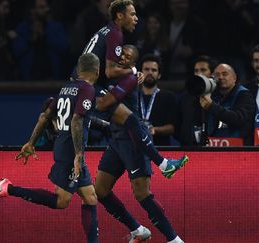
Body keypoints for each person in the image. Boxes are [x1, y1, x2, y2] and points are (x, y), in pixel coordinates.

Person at [0, 53, 100, 243]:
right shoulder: (88, 89)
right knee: (61, 201)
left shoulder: (67, 88)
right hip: (70, 151)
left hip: (65, 147)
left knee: (90, 197)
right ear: (97, 71)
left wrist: (31, 142)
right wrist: (79, 154)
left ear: (79, 70)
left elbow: (45, 116)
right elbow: (77, 120)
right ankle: (9, 188)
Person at [75, 0, 188, 177]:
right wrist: (135, 71)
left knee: (128, 121)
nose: (136, 18)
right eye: (132, 14)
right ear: (120, 16)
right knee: (133, 121)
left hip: (81, 84)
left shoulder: (106, 30)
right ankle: (163, 164)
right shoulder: (116, 34)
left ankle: (163, 164)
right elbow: (111, 71)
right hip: (87, 85)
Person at [95, 45, 185, 243]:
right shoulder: (109, 75)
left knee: (142, 193)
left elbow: (102, 104)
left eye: (129, 57)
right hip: (116, 140)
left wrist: (85, 96)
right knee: (100, 190)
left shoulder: (129, 79)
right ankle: (137, 229)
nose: (123, 58)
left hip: (132, 141)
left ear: (133, 64)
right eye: (121, 54)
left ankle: (174, 240)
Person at [199, 63, 256, 146]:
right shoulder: (213, 96)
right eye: (217, 75)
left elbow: (238, 118)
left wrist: (211, 106)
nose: (221, 77)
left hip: (238, 150)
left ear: (234, 78)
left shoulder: (244, 95)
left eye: (225, 74)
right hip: (214, 148)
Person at [12, 0, 68, 80]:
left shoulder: (56, 27)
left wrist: (45, 35)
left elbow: (64, 48)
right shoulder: (23, 28)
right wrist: (31, 39)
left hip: (52, 76)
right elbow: (17, 52)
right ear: (33, 10)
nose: (47, 9)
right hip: (29, 77)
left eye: (46, 7)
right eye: (42, 7)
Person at [177, 55, 216, 146]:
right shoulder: (185, 98)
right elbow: (178, 125)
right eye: (196, 71)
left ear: (212, 73)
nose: (199, 73)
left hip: (213, 149)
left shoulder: (218, 97)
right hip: (189, 149)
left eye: (203, 70)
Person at [138, 54, 177, 146]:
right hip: (135, 149)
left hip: (162, 148)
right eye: (146, 69)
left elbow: (172, 127)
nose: (150, 72)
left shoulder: (169, 97)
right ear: (140, 73)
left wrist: (154, 130)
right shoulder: (132, 96)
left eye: (154, 70)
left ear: (159, 75)